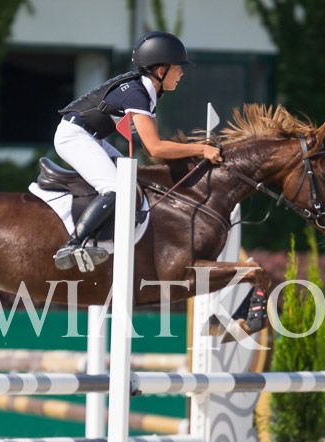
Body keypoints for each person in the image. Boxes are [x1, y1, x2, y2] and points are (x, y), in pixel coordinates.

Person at [52, 31, 223, 272]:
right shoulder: (137, 94)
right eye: (178, 68)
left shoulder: (146, 92)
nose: (182, 73)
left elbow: (151, 147)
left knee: (131, 182)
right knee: (115, 188)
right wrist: (202, 149)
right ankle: (74, 244)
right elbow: (155, 147)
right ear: (161, 70)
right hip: (74, 137)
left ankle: (108, 237)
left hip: (91, 136)